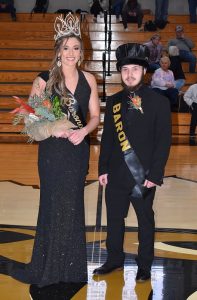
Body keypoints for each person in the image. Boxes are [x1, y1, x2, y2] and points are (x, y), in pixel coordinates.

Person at [10, 13, 100, 287]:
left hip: (77, 152)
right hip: (52, 153)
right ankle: (47, 268)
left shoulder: (89, 79)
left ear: (81, 51)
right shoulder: (44, 80)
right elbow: (30, 119)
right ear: (58, 50)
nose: (71, 53)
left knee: (72, 207)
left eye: (76, 48)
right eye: (66, 47)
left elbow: (94, 116)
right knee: (51, 205)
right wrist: (56, 129)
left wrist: (84, 131)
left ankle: (71, 270)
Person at [93, 43, 171, 282]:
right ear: (120, 72)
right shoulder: (115, 101)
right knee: (114, 219)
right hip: (116, 174)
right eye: (125, 69)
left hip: (143, 175)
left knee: (145, 222)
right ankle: (114, 258)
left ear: (144, 71)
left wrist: (155, 174)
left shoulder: (159, 102)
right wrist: (103, 168)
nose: (129, 74)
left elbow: (163, 141)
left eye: (135, 69)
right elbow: (107, 138)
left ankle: (145, 264)